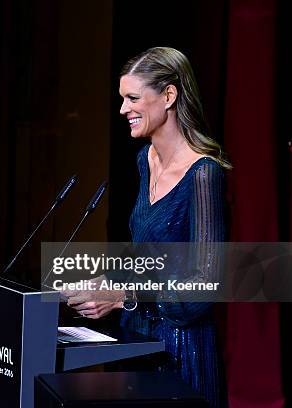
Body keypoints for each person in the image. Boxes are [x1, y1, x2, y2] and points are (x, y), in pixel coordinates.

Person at [65, 47, 230, 408]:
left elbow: (204, 287)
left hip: (183, 353)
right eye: (122, 99)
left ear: (169, 96)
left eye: (133, 98)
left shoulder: (204, 174)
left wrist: (124, 296)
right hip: (138, 340)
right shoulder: (146, 160)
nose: (123, 109)